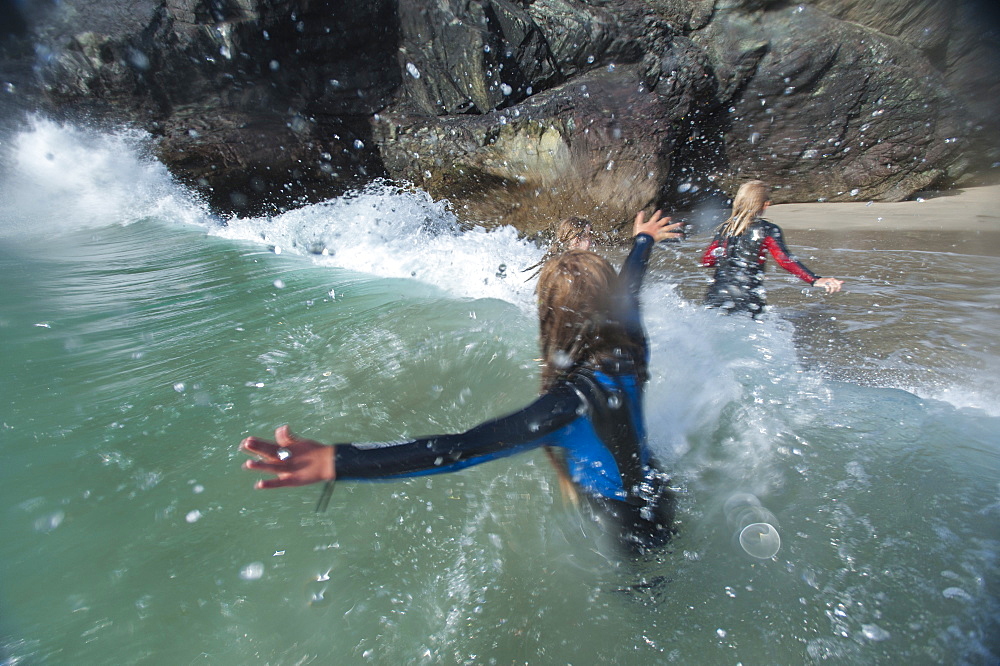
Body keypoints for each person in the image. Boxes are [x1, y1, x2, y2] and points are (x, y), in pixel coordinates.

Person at [240, 210, 679, 554]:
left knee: (641, 595)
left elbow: (457, 449)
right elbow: (631, 288)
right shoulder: (630, 347)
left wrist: (339, 460)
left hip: (626, 521)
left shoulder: (567, 406)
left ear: (550, 316)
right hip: (659, 490)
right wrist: (642, 241)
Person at [701, 180, 843, 317]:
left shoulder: (726, 229)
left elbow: (708, 260)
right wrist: (815, 280)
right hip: (747, 296)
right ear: (764, 205)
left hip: (717, 293)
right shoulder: (767, 229)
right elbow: (784, 259)